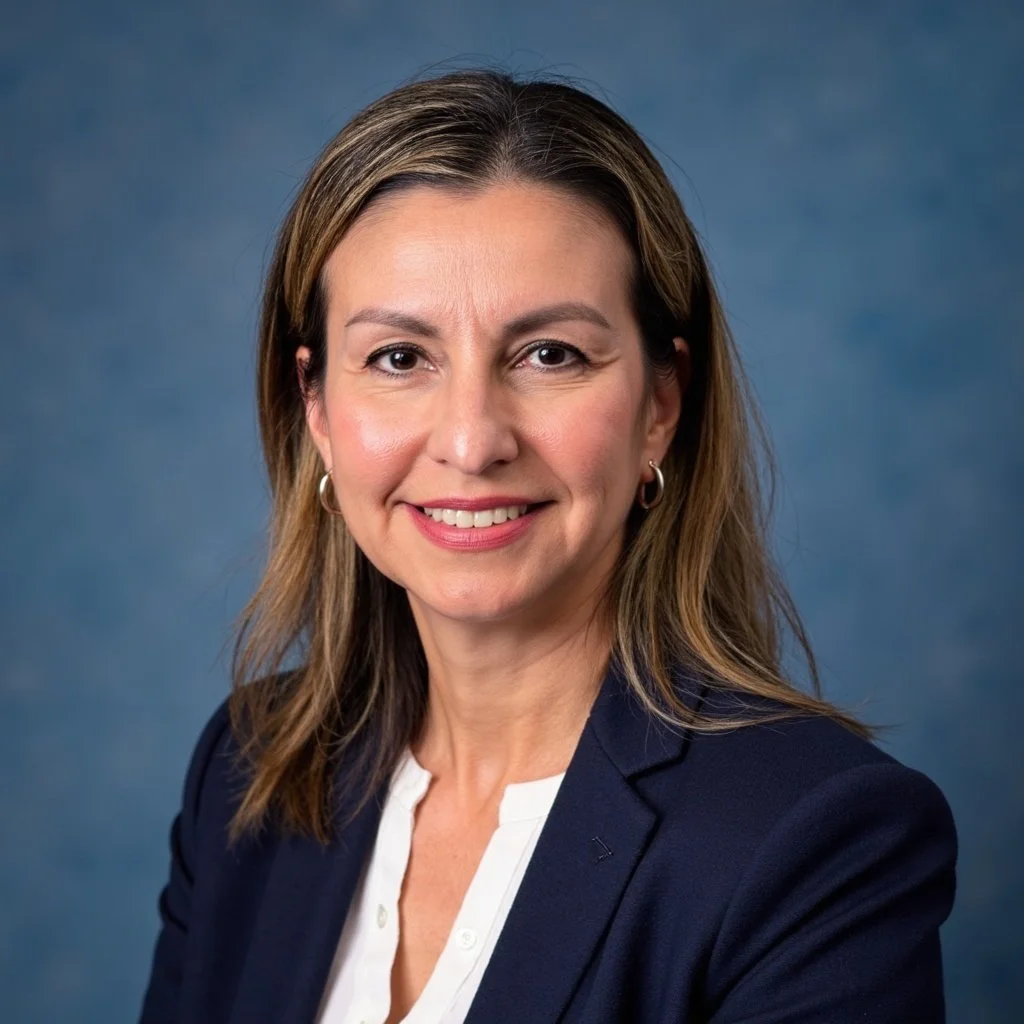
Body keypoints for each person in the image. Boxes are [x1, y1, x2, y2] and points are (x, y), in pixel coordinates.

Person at [139, 68, 957, 1024]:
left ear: (660, 405)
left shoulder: (815, 839)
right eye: (400, 359)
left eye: (549, 355)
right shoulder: (251, 770)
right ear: (316, 408)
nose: (472, 439)